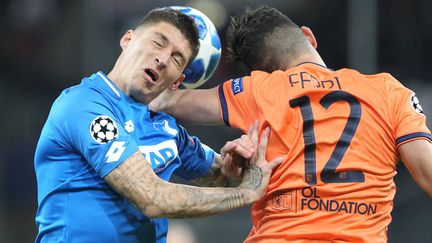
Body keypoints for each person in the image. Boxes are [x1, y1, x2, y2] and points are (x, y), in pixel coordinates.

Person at [149, 5, 432, 242]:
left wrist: (167, 61)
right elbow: (427, 172)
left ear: (261, 72)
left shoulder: (257, 90)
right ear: (309, 37)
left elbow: (161, 101)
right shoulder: (389, 91)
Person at [33, 7, 284, 243]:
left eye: (177, 59)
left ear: (177, 81)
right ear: (128, 40)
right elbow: (152, 197)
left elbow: (220, 177)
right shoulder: (84, 104)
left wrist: (234, 169)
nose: (163, 59)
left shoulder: (166, 128)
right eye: (158, 42)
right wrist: (244, 193)